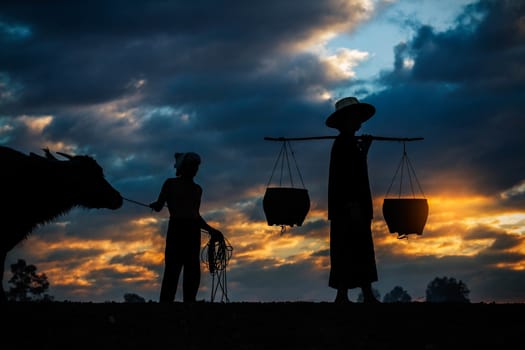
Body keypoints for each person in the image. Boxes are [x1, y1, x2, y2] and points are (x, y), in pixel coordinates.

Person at [325, 96, 380, 304]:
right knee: (348, 248)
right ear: (346, 121)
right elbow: (344, 178)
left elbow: (357, 169)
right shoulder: (342, 145)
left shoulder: (349, 144)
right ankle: (344, 294)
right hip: (348, 206)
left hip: (354, 205)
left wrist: (364, 150)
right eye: (355, 118)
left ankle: (363, 293)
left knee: (360, 248)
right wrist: (351, 204)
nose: (359, 122)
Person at [149, 151, 223, 303]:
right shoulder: (173, 184)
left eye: (195, 167)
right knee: (174, 270)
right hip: (180, 230)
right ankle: (171, 306)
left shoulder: (196, 189)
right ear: (183, 168)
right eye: (191, 166)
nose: (194, 170)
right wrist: (210, 230)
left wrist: (211, 230)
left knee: (190, 271)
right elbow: (160, 205)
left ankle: (187, 304)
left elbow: (194, 215)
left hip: (188, 231)